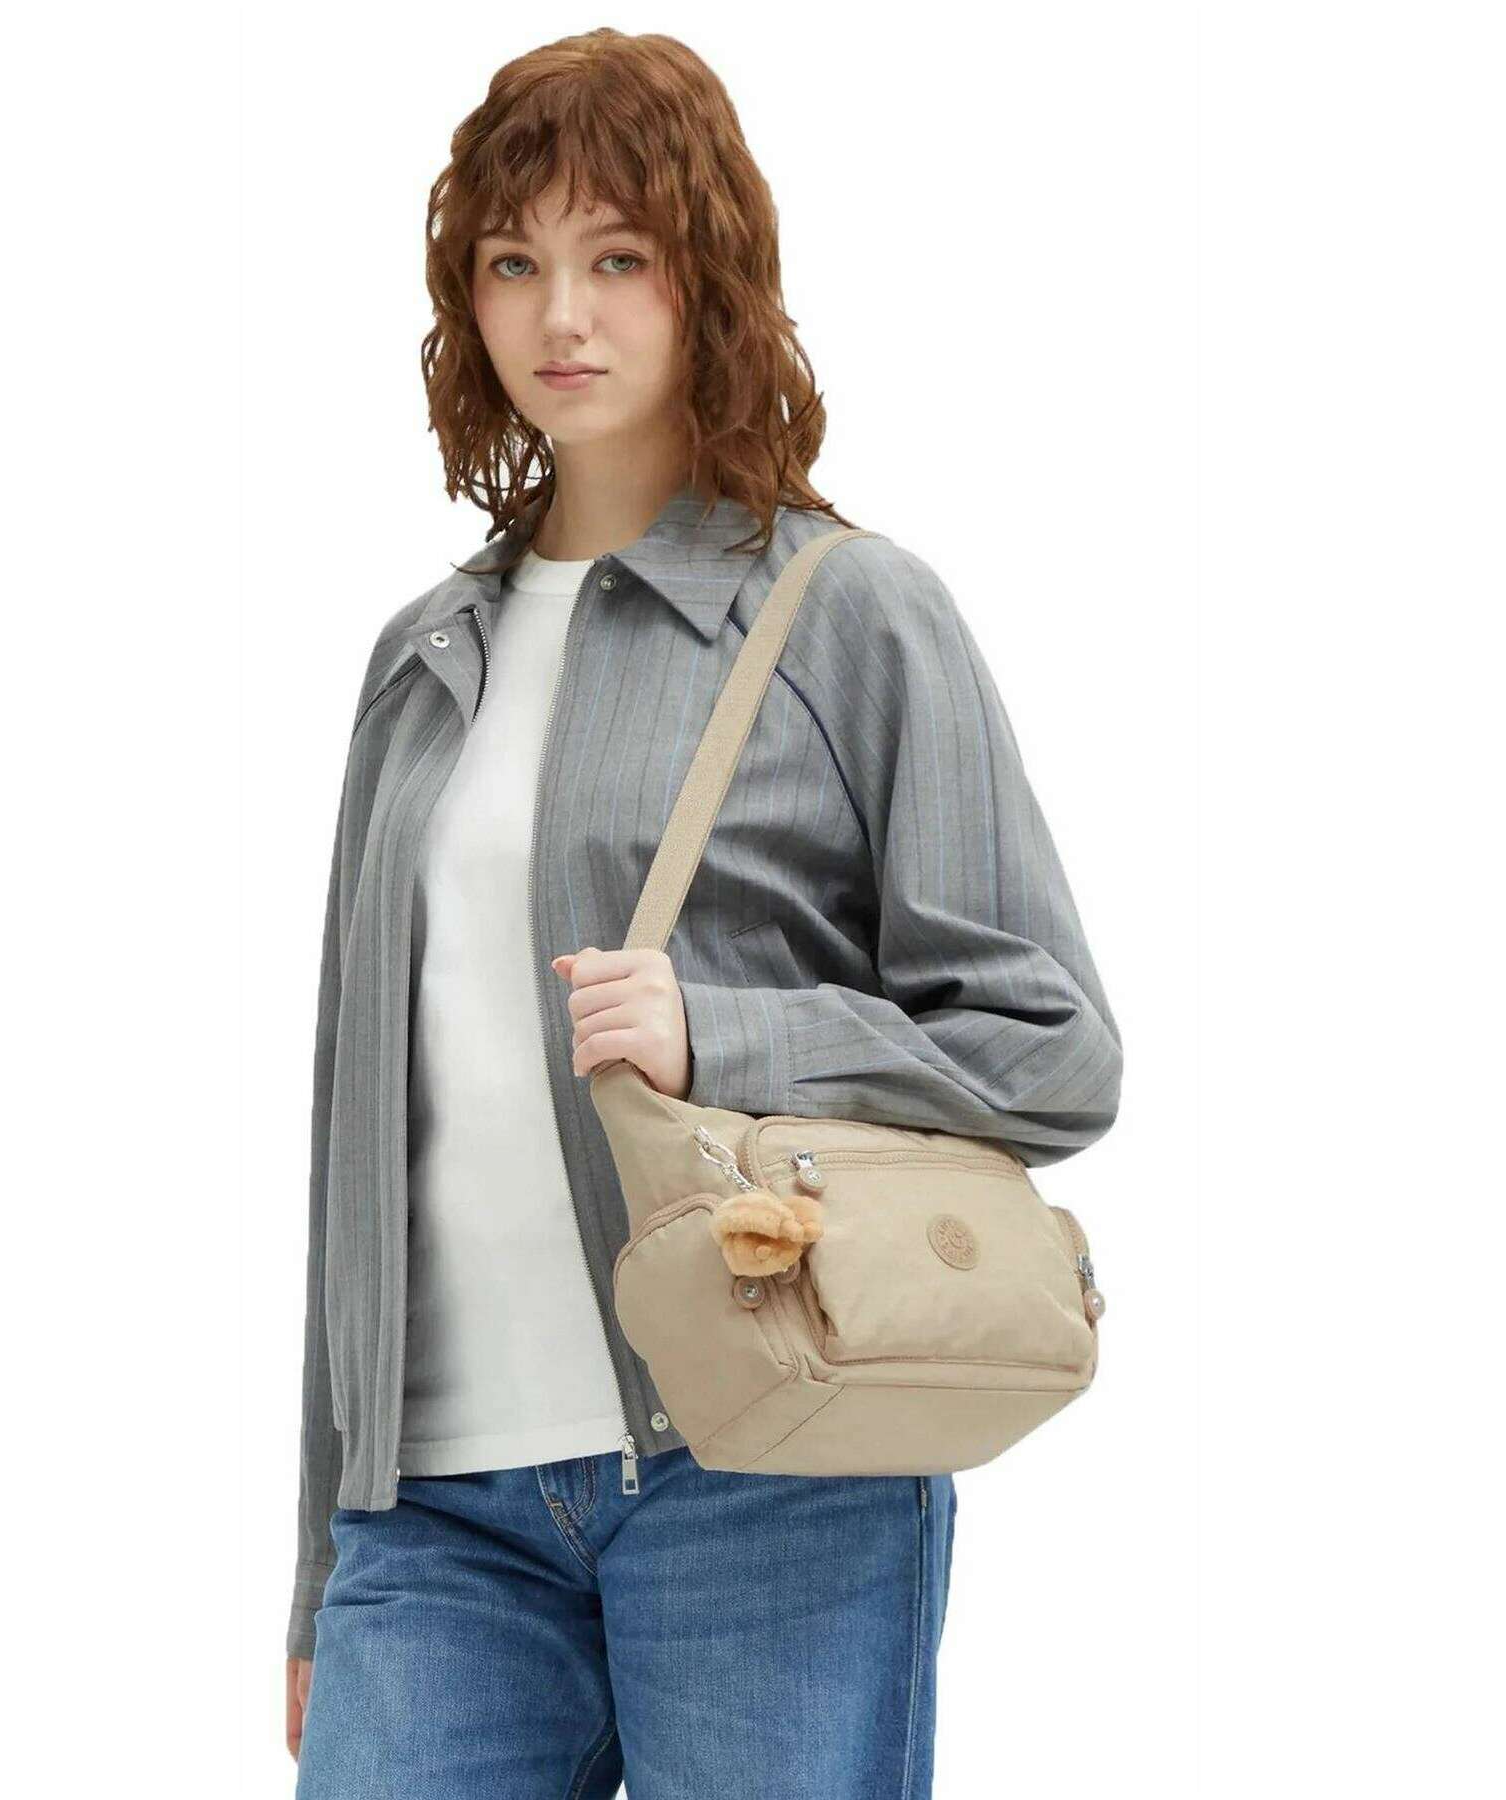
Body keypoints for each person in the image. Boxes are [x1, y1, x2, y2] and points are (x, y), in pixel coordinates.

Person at [285, 27, 1123, 1799]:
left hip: (764, 1474)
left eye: (616, 258)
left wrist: (724, 1032)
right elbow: (356, 1139)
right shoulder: (421, 660)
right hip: (433, 1518)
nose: (558, 316)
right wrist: (318, 1560)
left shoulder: (851, 611)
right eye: (511, 263)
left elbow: (1051, 1045)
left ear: (708, 273)